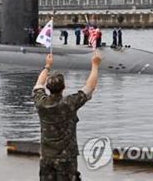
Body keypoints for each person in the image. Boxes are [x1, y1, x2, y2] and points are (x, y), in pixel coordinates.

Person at [33, 51, 102, 181]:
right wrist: (95, 64)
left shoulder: (41, 102)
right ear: (64, 87)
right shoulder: (69, 103)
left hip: (46, 157)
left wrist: (47, 66)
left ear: (48, 87)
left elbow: (38, 84)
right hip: (66, 159)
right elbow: (90, 86)